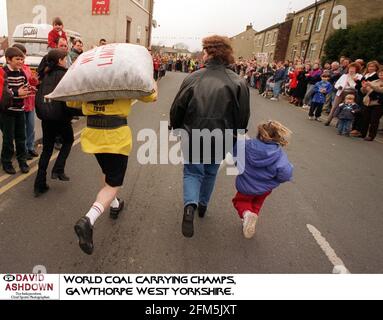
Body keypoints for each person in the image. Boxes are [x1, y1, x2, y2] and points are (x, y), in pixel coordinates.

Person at [170, 35, 250, 238]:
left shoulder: (194, 77)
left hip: (193, 133)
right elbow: (242, 115)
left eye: (204, 51)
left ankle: (190, 206)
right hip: (221, 136)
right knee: (211, 171)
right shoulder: (238, 82)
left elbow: (178, 106)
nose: (203, 54)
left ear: (210, 52)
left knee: (192, 172)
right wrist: (237, 134)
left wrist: (176, 127)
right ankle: (203, 205)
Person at [72, 86, 158, 255]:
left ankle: (115, 204)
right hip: (115, 138)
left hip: (93, 135)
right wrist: (153, 84)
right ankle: (88, 219)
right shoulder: (122, 77)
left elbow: (72, 101)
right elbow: (151, 97)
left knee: (107, 170)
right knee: (114, 183)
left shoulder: (89, 76)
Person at [233, 121, 293, 239]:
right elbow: (285, 174)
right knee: (257, 204)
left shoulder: (246, 145)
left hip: (246, 186)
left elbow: (236, 157)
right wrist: (274, 180)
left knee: (240, 202)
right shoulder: (279, 155)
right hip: (265, 189)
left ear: (260, 134)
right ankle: (250, 220)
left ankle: (246, 215)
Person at [34, 49, 80, 197]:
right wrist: (80, 112)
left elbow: (39, 96)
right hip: (61, 117)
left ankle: (39, 183)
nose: (66, 61)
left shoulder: (45, 75)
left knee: (47, 149)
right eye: (64, 58)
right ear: (60, 60)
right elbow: (69, 100)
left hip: (46, 118)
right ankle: (58, 169)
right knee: (68, 140)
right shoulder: (65, 75)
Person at [1, 47, 31, 175]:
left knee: (21, 138)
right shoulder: (3, 72)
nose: (20, 62)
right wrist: (16, 93)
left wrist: (29, 89)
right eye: (17, 59)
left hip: (20, 110)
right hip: (7, 112)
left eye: (22, 59)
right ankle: (7, 162)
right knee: (8, 139)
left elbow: (24, 86)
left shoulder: (21, 72)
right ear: (8, 59)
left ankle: (22, 162)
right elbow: (2, 93)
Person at [12, 44, 39, 159]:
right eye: (20, 56)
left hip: (30, 101)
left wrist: (34, 81)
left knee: (31, 127)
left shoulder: (27, 67)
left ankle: (30, 147)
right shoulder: (15, 69)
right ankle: (23, 150)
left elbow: (32, 82)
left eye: (23, 55)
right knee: (21, 129)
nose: (23, 58)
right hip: (20, 103)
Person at [360, 68, 383, 141]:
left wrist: (371, 85)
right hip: (368, 102)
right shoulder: (374, 81)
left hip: (379, 103)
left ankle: (371, 136)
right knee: (365, 118)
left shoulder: (372, 83)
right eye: (380, 73)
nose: (381, 75)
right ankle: (362, 133)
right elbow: (364, 92)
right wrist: (363, 87)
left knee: (374, 120)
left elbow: (380, 90)